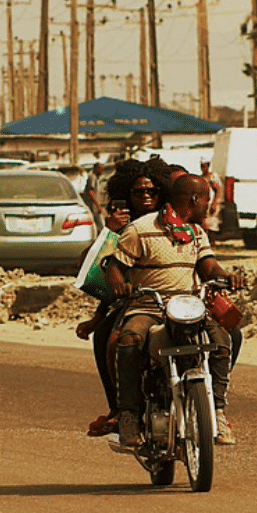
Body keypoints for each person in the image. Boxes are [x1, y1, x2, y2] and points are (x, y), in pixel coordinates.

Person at [103, 174, 247, 447]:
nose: (209, 206)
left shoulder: (196, 233)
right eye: (207, 199)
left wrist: (226, 276)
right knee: (129, 340)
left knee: (222, 340)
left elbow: (208, 267)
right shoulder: (140, 229)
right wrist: (119, 285)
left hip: (189, 306)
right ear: (194, 200)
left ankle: (217, 410)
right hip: (150, 306)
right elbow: (114, 268)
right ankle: (129, 414)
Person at [78, 160, 170, 437]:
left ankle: (213, 406)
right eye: (138, 192)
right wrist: (109, 233)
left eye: (152, 192)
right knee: (107, 337)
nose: (145, 197)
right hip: (134, 302)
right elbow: (97, 272)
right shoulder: (120, 228)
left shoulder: (172, 223)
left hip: (176, 300)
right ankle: (119, 408)